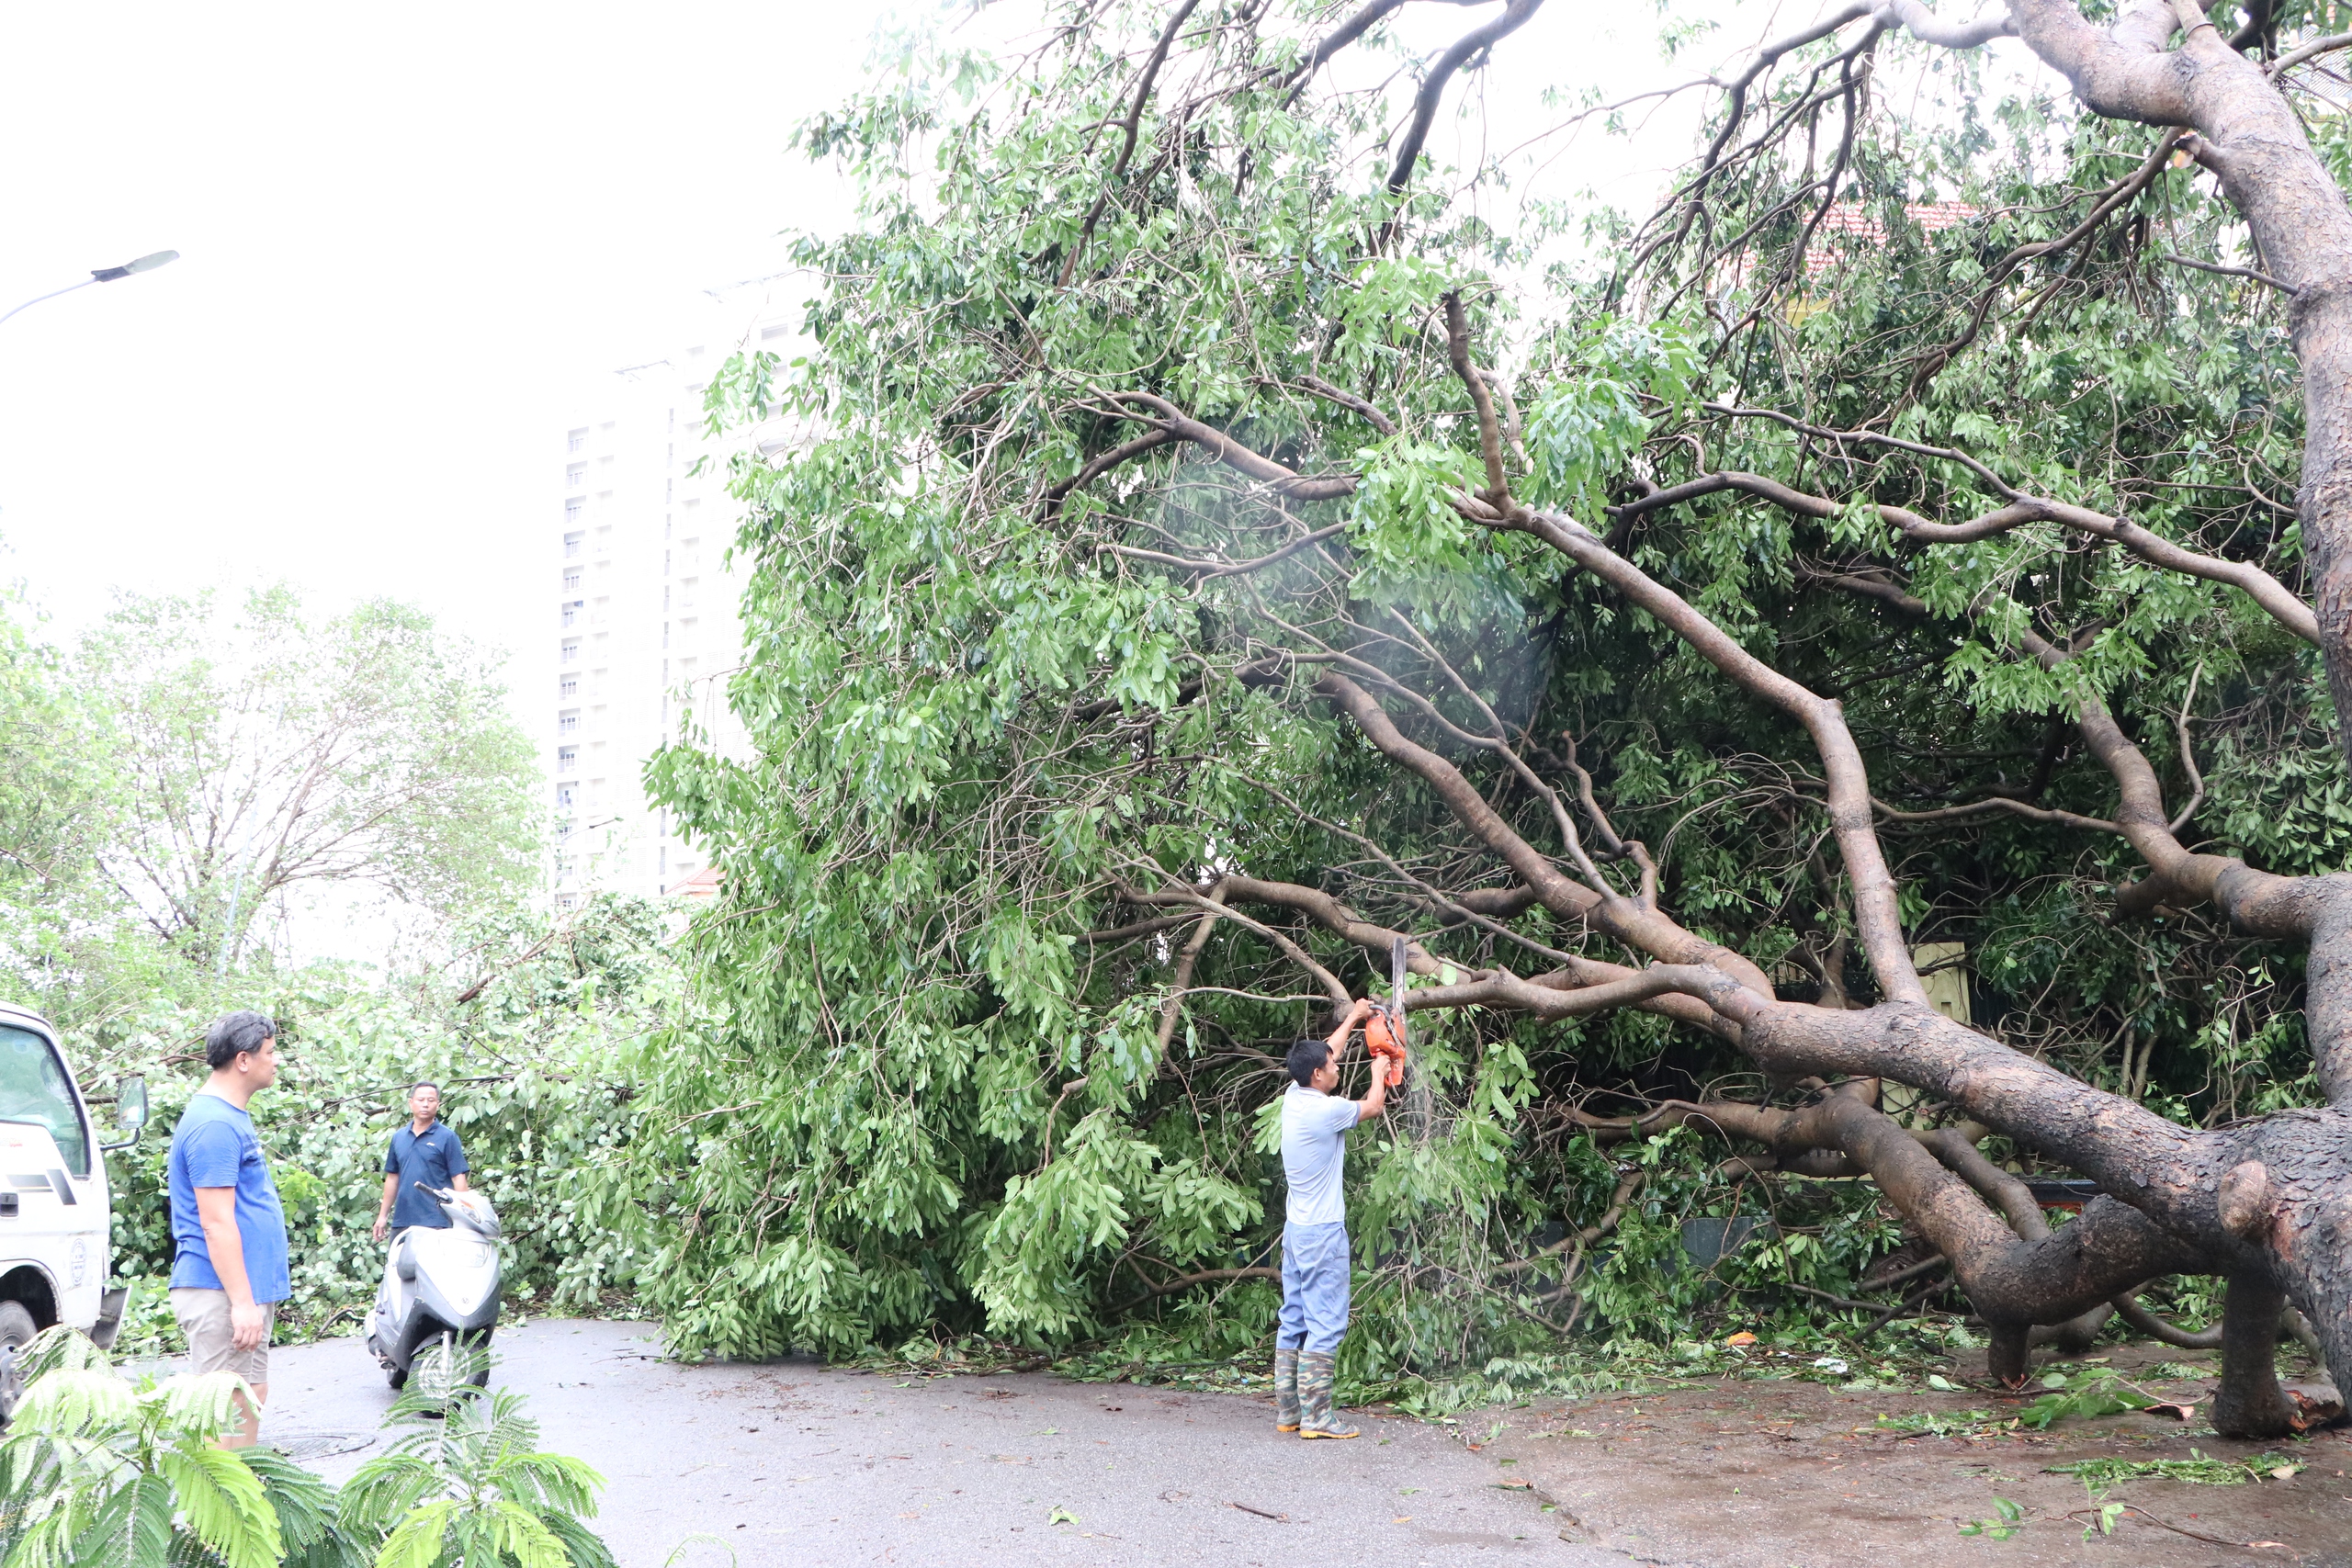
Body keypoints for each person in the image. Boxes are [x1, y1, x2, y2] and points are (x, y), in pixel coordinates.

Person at [1272, 996, 1396, 1440]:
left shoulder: (1294, 1096)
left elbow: (1329, 1048)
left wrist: (1356, 1018)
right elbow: (1374, 1106)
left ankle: (1289, 1412)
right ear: (1317, 1076)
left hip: (1295, 1232)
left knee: (1294, 1318)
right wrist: (1379, 1071)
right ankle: (1318, 1418)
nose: (1336, 1065)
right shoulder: (1327, 1112)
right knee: (1326, 1322)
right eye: (1332, 1066)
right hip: (1323, 1235)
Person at [166, 1010, 290, 1448]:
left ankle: (242, 1510)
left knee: (249, 1397)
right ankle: (212, 1514)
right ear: (243, 1059)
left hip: (241, 1292)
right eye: (271, 1053)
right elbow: (215, 1222)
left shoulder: (230, 1115)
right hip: (220, 1292)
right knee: (224, 1407)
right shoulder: (215, 1124)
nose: (277, 1062)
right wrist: (241, 1302)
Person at [373, 1082, 469, 1243]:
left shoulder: (447, 1137)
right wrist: (382, 1216)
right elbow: (392, 1178)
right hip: (403, 1221)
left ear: (437, 1104)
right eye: (421, 1099)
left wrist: (464, 1220)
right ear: (411, 1103)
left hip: (438, 1221)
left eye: (431, 1100)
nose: (425, 1104)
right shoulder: (399, 1137)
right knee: (398, 1267)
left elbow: (458, 1178)